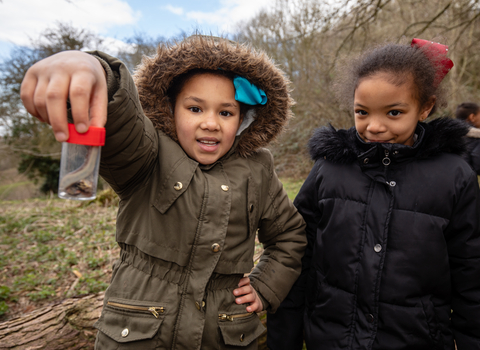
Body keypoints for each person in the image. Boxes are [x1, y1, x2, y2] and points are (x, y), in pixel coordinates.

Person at [20, 35, 307, 349]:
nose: (211, 123)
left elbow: (289, 236)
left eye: (225, 113)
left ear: (243, 120)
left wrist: (264, 286)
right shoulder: (149, 153)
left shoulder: (258, 169)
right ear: (171, 109)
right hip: (138, 333)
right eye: (195, 108)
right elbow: (121, 121)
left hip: (226, 335)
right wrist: (95, 69)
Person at [267, 39, 480, 349]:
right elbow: (297, 257)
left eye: (393, 112)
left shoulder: (454, 176)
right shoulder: (329, 169)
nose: (374, 127)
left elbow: (471, 275)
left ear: (425, 108)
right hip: (331, 339)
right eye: (362, 112)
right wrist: (282, 340)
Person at [455, 102, 480, 174]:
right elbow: (477, 162)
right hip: (466, 177)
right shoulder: (477, 136)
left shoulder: (452, 134)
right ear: (472, 117)